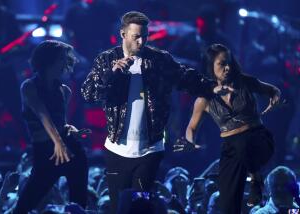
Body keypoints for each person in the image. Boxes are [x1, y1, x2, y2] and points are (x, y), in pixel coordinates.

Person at [81, 11, 215, 213]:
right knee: (120, 206)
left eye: (145, 36)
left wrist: (216, 88)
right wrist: (111, 74)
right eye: (136, 36)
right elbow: (88, 94)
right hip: (117, 149)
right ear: (123, 34)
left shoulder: (159, 60)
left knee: (139, 202)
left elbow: (186, 78)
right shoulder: (106, 60)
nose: (141, 41)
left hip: (149, 149)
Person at [174, 44, 280, 213]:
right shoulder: (205, 100)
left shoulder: (245, 83)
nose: (227, 67)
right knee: (227, 202)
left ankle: (256, 179)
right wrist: (189, 141)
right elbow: (191, 128)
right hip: (232, 148)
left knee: (243, 143)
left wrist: (275, 97)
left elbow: (272, 90)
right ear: (211, 67)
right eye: (222, 64)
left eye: (229, 62)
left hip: (258, 140)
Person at [13, 40, 88, 213]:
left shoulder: (64, 90)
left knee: (77, 205)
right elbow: (43, 115)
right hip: (46, 151)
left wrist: (72, 130)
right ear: (49, 59)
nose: (65, 62)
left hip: (70, 149)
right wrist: (58, 143)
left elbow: (61, 124)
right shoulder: (29, 86)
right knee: (25, 205)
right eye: (61, 58)